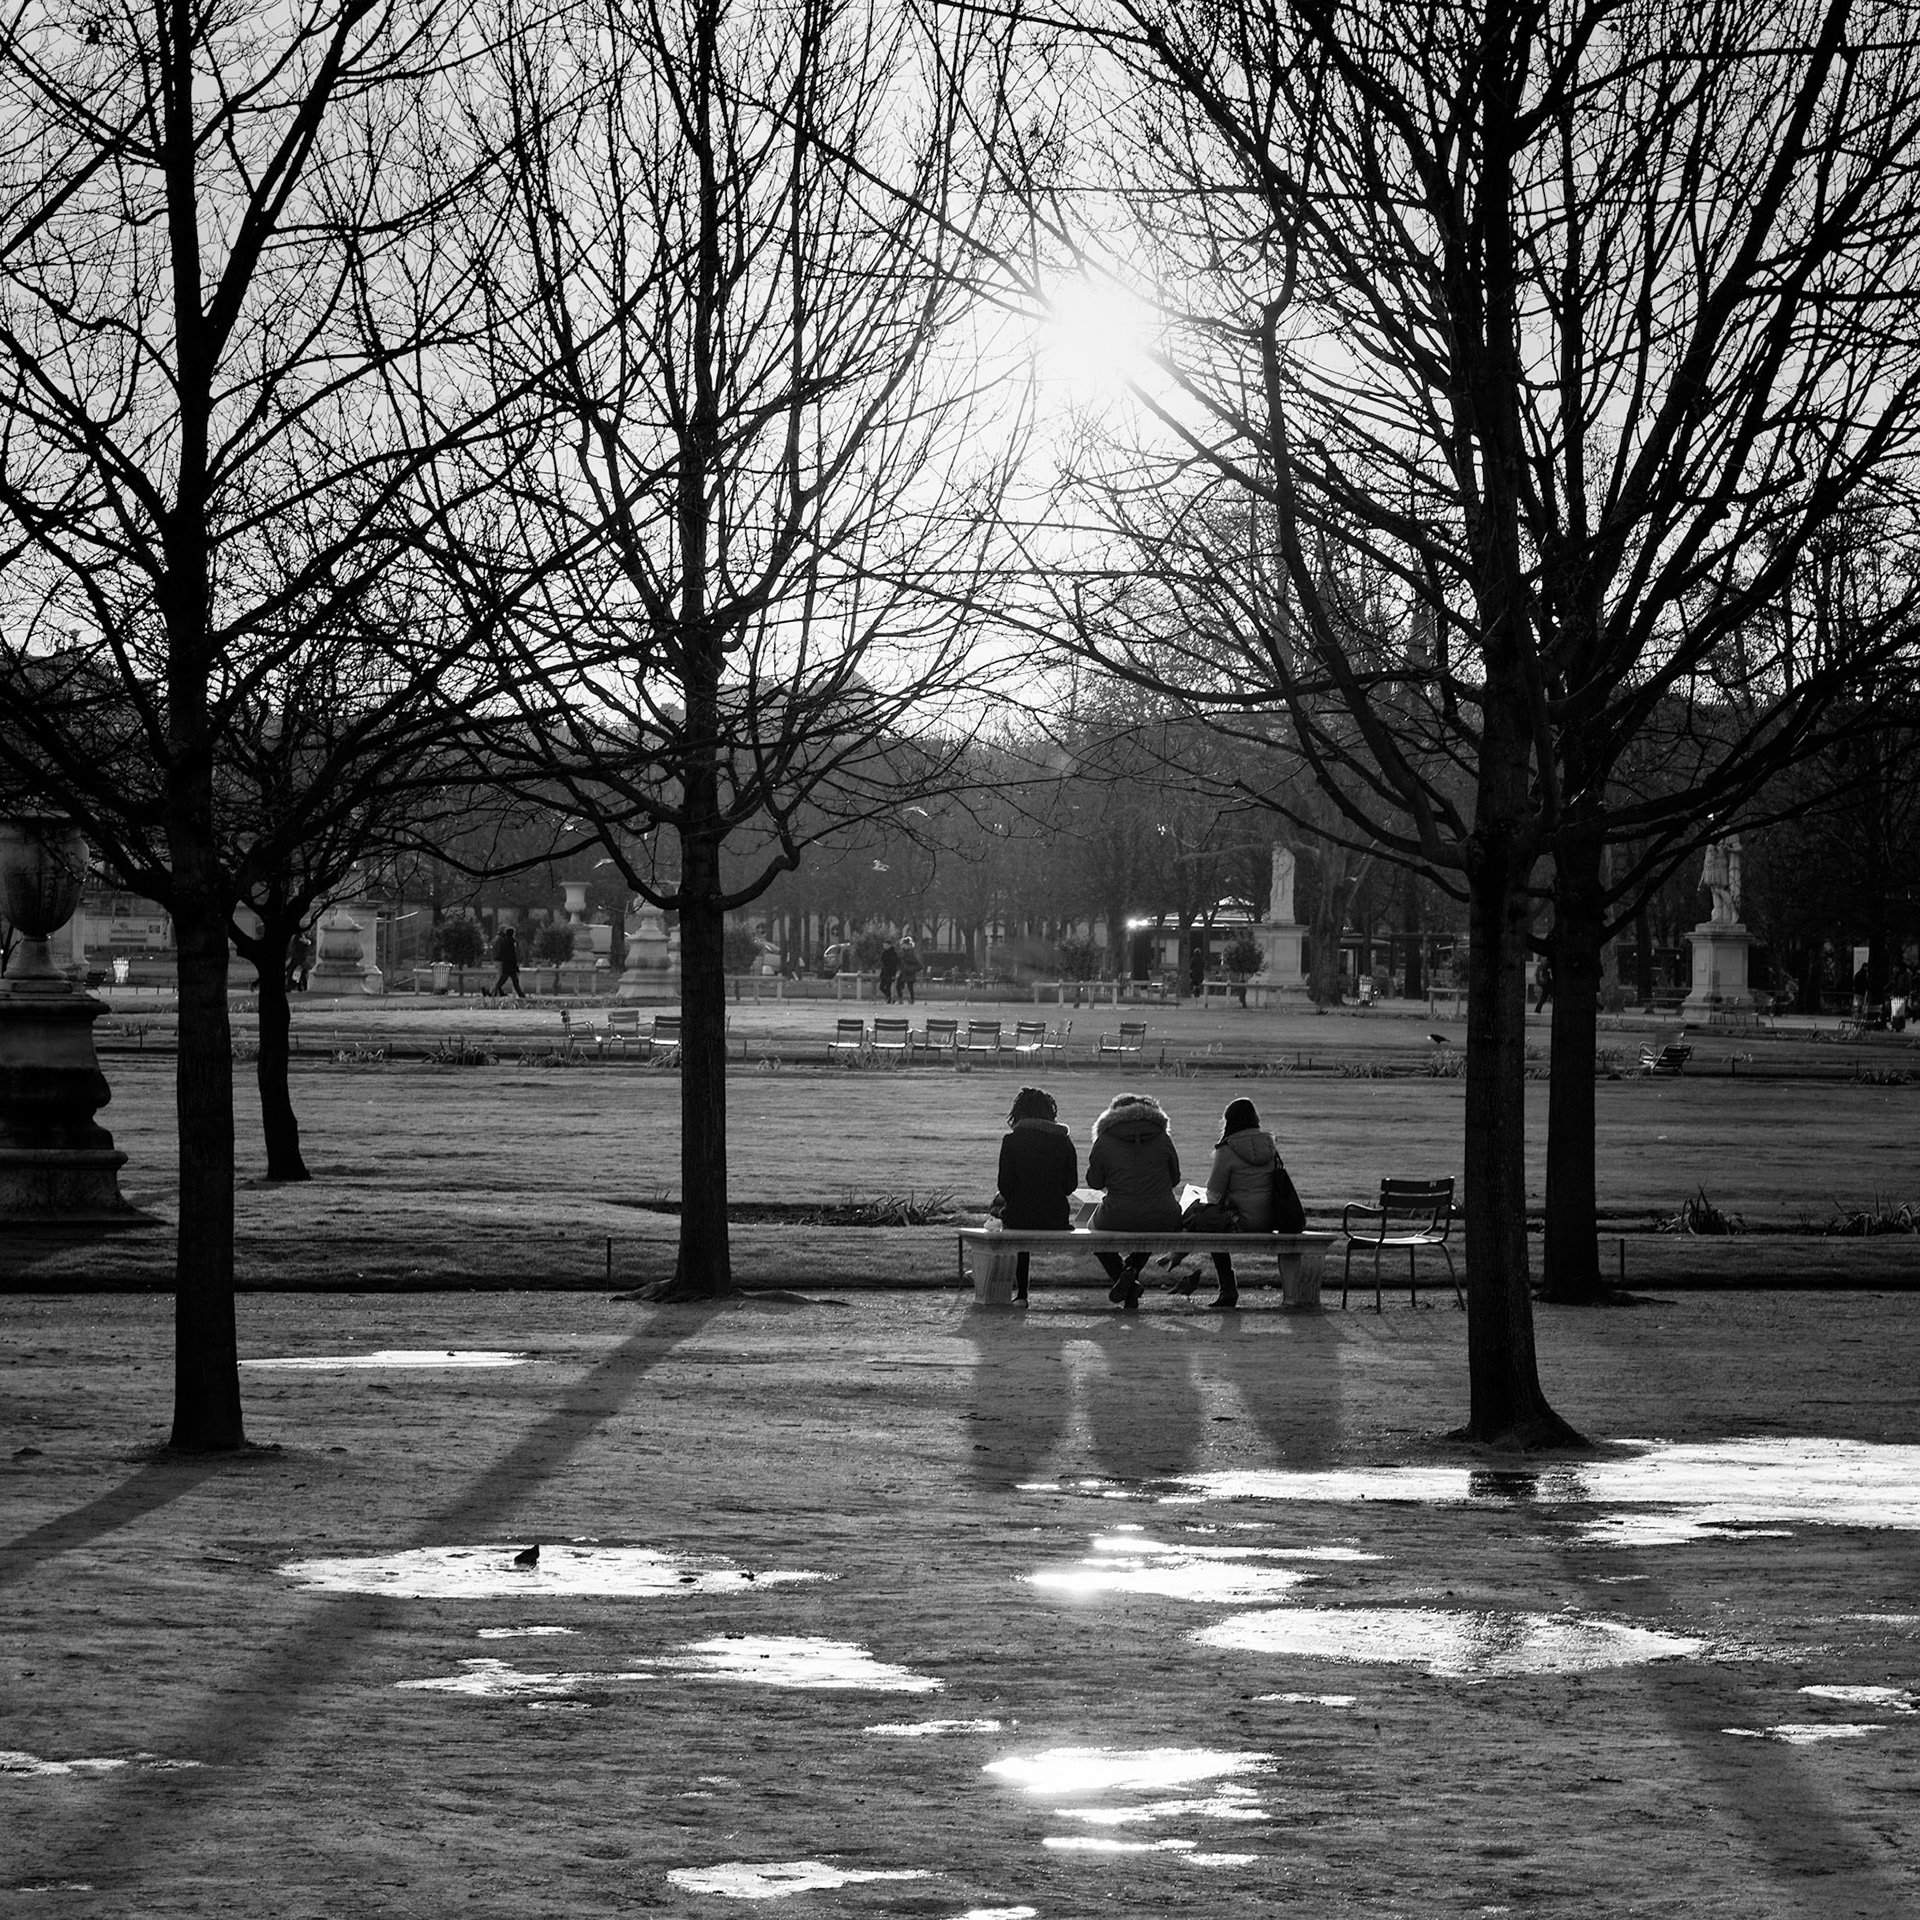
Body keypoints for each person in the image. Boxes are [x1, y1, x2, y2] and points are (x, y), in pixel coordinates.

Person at [1170, 1097, 1277, 1311]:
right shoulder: (1270, 1146)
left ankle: (1227, 1289)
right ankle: (1177, 1256)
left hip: (1242, 1221)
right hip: (1273, 1218)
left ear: (1228, 1121)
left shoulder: (1227, 1149)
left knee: (1209, 1222)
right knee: (1214, 1221)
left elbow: (1214, 1195)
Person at [1086, 1093, 1181, 1311]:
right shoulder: (1162, 1138)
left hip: (1117, 1213)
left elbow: (1094, 1182)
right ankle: (1131, 1271)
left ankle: (1123, 1276)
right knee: (1151, 1222)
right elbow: (1174, 1179)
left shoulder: (1105, 1139)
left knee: (1092, 1230)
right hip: (1163, 1214)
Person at [992, 1087, 1079, 1305]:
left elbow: (1005, 1186)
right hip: (1056, 1218)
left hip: (1018, 1217)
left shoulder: (1012, 1141)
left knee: (1006, 1212)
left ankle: (1022, 1294)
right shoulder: (1064, 1141)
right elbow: (1071, 1186)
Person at [491, 923, 526, 1001]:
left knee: (506, 980)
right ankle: (521, 995)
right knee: (512, 981)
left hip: (507, 965)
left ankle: (495, 992)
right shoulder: (511, 942)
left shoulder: (505, 941)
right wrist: (516, 965)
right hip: (510, 966)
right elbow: (512, 956)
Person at [897, 936, 921, 1004]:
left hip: (908, 972)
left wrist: (907, 960)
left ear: (907, 945)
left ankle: (910, 1000)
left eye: (903, 944)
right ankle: (904, 999)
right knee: (901, 985)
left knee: (909, 986)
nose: (901, 946)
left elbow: (915, 961)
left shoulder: (910, 952)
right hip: (905, 972)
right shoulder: (905, 952)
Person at [878, 940, 900, 1004]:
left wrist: (894, 974)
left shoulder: (893, 953)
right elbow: (882, 960)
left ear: (890, 945)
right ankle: (889, 998)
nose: (885, 947)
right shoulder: (884, 953)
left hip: (890, 972)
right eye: (884, 945)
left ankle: (889, 999)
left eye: (886, 945)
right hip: (884, 972)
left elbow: (894, 964)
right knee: (881, 987)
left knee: (888, 986)